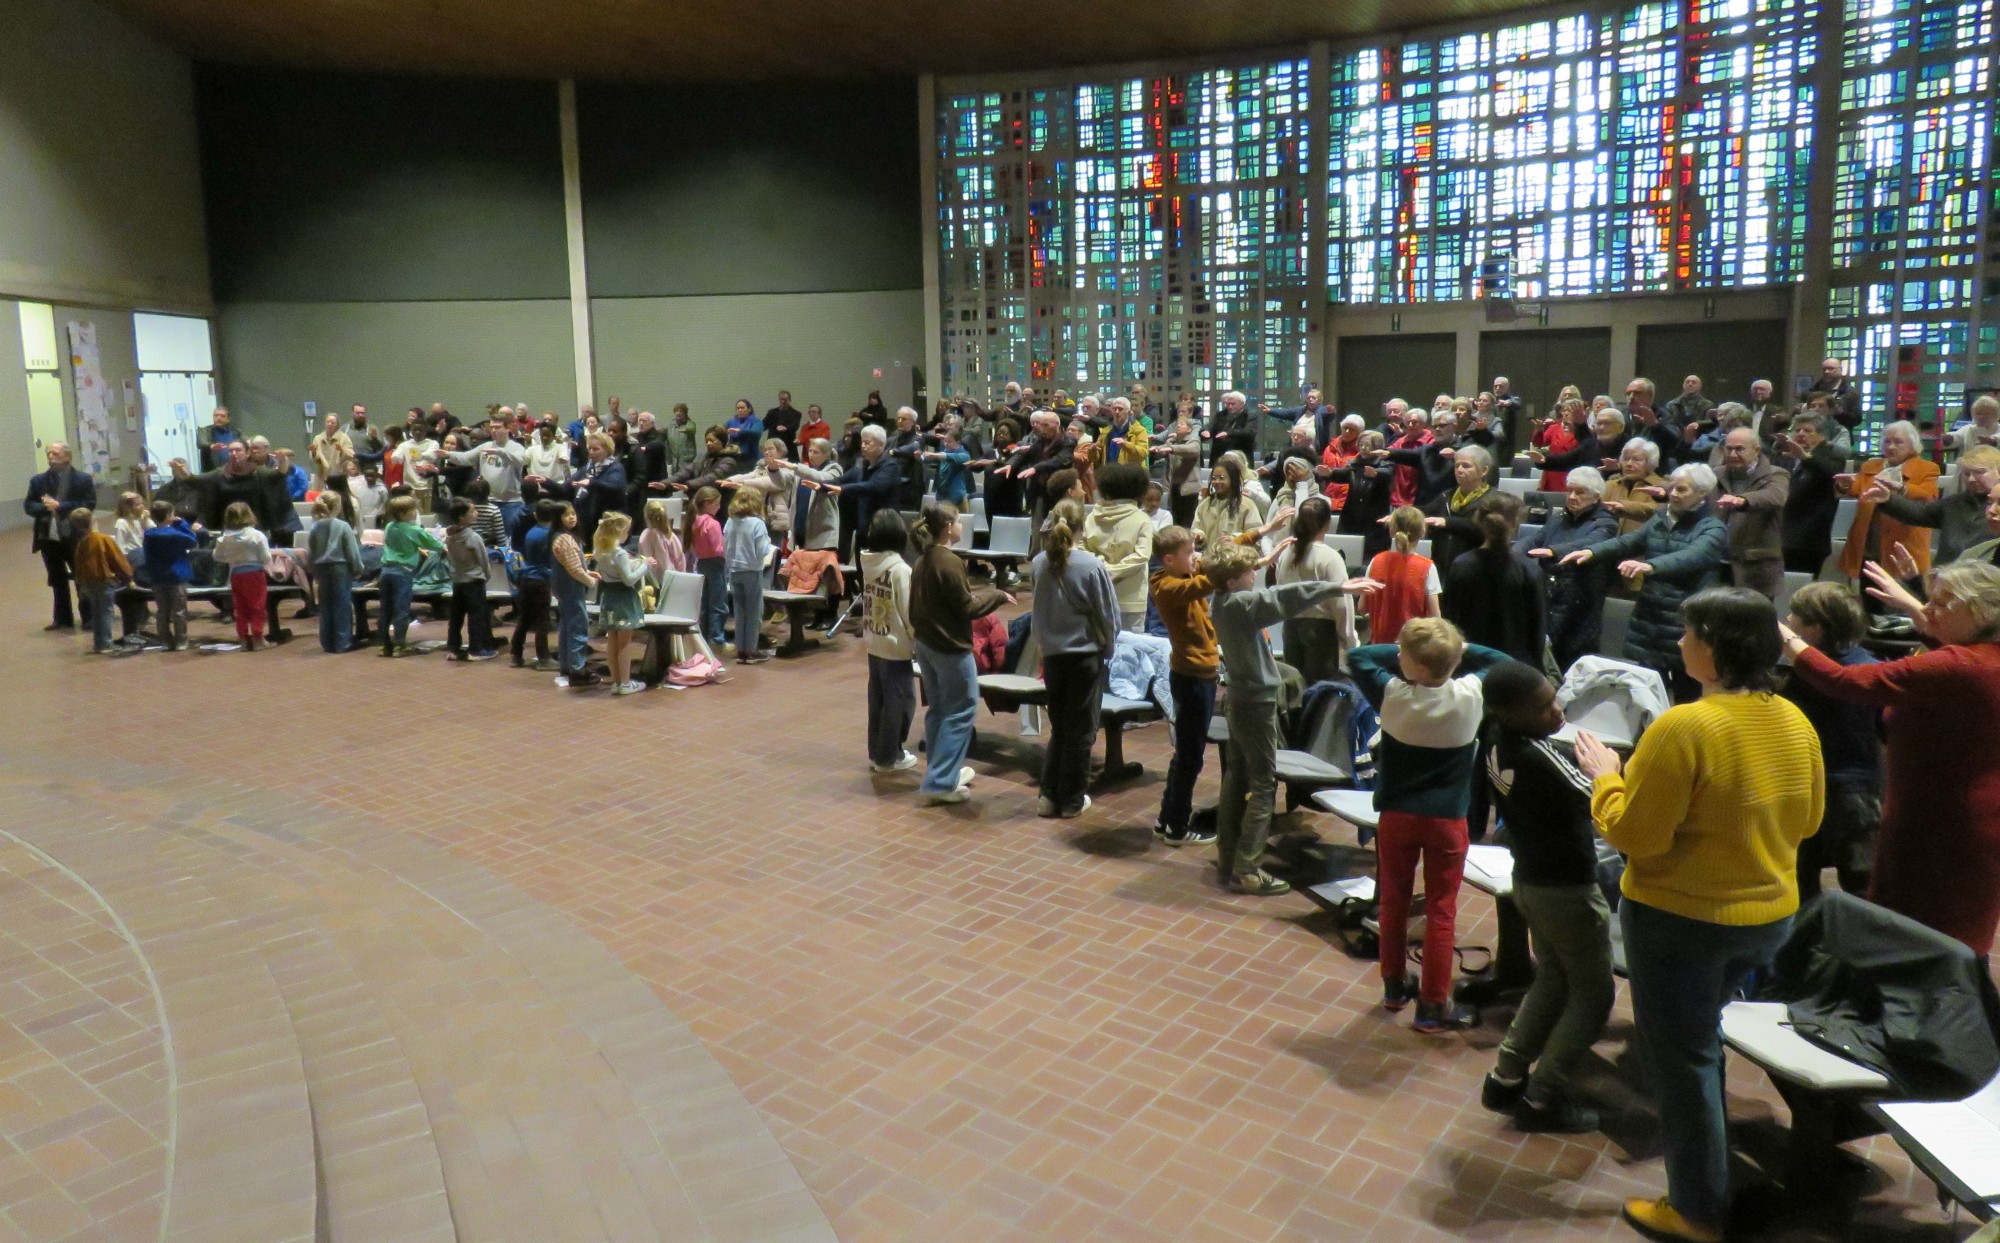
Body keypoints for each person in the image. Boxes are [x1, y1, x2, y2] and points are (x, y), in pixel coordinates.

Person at [1575, 588, 1824, 1243]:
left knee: (1681, 1061)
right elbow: (1810, 819)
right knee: (1700, 1044)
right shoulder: (1794, 719)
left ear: (1711, 646)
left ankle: (1696, 1209)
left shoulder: (1685, 726)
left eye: (1688, 632)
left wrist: (1606, 776)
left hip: (1685, 921)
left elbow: (1635, 835)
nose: (1679, 642)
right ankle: (1709, 1177)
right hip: (1768, 913)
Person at [1781, 560, 2000, 956]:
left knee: (1929, 939)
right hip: (1942, 809)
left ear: (1980, 612)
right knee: (1925, 934)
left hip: (1947, 820)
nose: (1928, 611)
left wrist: (1785, 638)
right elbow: (1949, 649)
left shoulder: (1960, 667)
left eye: (1941, 604)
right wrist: (1913, 603)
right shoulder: (1980, 656)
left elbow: (1844, 682)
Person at [1347, 621, 1509, 1031]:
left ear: (1413, 664)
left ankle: (1395, 985)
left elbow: (1359, 656)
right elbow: (1502, 662)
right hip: (1447, 820)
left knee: (1394, 902)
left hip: (1397, 817)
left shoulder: (1393, 692)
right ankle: (1434, 1004)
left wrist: (1407, 651)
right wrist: (1458, 648)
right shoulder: (1471, 693)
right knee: (1441, 910)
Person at [1478, 662, 1615, 1133]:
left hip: (1531, 882)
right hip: (1567, 890)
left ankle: (1506, 1075)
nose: (1557, 711)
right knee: (1595, 994)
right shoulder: (1539, 757)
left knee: (1554, 976)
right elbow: (1598, 798)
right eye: (1542, 708)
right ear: (1512, 714)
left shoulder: (1494, 740)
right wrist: (1611, 769)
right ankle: (1542, 1097)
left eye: (1554, 698)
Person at [1208, 542, 1363, 895]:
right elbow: (1283, 598)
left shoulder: (1220, 599)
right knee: (1264, 785)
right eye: (1251, 572)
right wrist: (1337, 587)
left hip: (1238, 698)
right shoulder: (1242, 604)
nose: (1256, 576)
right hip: (1256, 704)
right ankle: (1248, 868)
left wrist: (1259, 560)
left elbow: (1259, 588)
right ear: (1233, 580)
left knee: (1236, 777)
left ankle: (1228, 854)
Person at [1562, 464, 1728, 701]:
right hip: (1651, 615)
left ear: (1702, 493)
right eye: (1672, 488)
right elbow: (1629, 541)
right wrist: (1591, 551)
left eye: (1682, 490)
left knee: (1688, 691)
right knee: (1646, 691)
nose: (1673, 494)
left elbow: (1694, 556)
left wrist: (1651, 566)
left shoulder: (1713, 527)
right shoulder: (1662, 517)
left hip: (1686, 618)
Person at [1777, 584, 1882, 901]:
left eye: (1795, 615)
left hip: (1850, 789)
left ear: (1815, 627)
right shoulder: (1864, 663)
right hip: (1811, 783)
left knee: (1861, 882)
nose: (1789, 619)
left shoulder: (1857, 669)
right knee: (1798, 876)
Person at [907, 503, 1011, 806]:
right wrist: (997, 595)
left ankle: (942, 772)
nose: (962, 526)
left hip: (926, 645)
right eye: (958, 521)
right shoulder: (949, 561)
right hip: (949, 648)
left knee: (940, 709)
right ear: (949, 527)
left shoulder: (924, 559)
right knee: (962, 709)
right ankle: (941, 781)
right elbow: (967, 607)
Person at [1031, 501, 1121, 819]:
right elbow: (1109, 615)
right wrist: (1109, 648)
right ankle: (1071, 800)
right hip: (1084, 656)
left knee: (1059, 728)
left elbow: (1037, 613)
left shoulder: (1039, 563)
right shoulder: (1091, 566)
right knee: (1081, 731)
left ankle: (1047, 796)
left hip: (1052, 656)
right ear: (1083, 527)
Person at [1149, 526, 1222, 847]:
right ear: (1169, 559)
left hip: (1195, 675)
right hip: (1193, 677)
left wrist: (1262, 532)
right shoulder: (1167, 586)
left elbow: (1209, 567)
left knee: (1185, 755)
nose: (1196, 557)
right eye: (1189, 553)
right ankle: (1178, 829)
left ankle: (1166, 820)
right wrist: (1245, 564)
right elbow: (1211, 580)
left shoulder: (1178, 576)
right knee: (1191, 757)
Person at [1519, 468, 1618, 672]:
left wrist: (1552, 551)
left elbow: (1590, 543)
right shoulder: (1559, 518)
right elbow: (1534, 539)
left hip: (1580, 604)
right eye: (1570, 491)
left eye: (1580, 492)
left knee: (1569, 664)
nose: (1572, 497)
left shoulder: (1606, 522)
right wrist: (1513, 551)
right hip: (1551, 596)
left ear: (1596, 497)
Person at [1444, 491, 1545, 666]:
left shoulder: (1460, 564)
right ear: (1514, 523)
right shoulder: (1529, 569)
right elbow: (1537, 629)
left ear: (1480, 521)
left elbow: (1449, 619)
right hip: (1513, 666)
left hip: (1469, 663)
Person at [1865, 443, 1999, 567]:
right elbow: (1919, 512)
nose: (1971, 479)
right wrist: (1888, 499)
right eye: (1967, 474)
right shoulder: (1955, 503)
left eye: (1980, 472)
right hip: (1947, 577)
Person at [1273, 497, 1356, 687]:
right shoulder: (1330, 557)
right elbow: (1341, 604)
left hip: (1291, 629)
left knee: (1296, 693)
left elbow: (1280, 595)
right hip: (1321, 635)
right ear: (1327, 524)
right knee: (1319, 697)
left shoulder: (1286, 553)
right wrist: (1349, 639)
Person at [862, 511, 919, 774]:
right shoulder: (900, 570)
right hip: (896, 646)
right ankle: (889, 756)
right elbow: (908, 611)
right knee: (902, 702)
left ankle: (876, 753)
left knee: (878, 700)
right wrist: (916, 638)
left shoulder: (868, 564)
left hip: (875, 640)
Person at [23, 442, 97, 631]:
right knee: (57, 579)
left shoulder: (82, 479)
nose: (51, 457)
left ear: (67, 456)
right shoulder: (38, 481)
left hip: (75, 537)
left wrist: (61, 506)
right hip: (49, 537)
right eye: (48, 453)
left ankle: (89, 617)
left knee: (82, 577)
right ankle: (63, 618)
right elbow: (29, 506)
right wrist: (45, 507)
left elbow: (88, 504)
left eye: (55, 453)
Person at [1712, 427, 1789, 600]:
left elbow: (1775, 496)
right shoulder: (1717, 473)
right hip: (1719, 565)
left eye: (1739, 449)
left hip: (1756, 569)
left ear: (1756, 450)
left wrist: (1743, 500)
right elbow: (1691, 482)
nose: (1732, 454)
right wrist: (1664, 491)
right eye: (1728, 448)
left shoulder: (1776, 474)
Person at [1080, 463, 1155, 632]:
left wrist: (1101, 567)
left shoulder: (1092, 516)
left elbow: (1082, 548)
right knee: (1131, 650)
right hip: (1131, 597)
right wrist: (1112, 570)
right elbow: (1142, 555)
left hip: (1096, 593)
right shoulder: (1141, 518)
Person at [1773, 412, 1846, 574]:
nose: (1801, 434)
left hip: (1810, 538)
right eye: (1797, 430)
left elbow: (1832, 474)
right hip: (1784, 533)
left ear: (1821, 436)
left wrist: (1806, 457)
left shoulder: (1831, 454)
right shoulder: (1788, 455)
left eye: (1807, 431)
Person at [589, 511, 650, 693]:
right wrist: (645, 566)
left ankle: (616, 681)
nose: (628, 535)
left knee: (612, 641)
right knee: (625, 642)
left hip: (609, 595)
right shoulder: (619, 553)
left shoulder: (600, 550)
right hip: (623, 596)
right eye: (626, 531)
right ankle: (625, 682)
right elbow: (629, 580)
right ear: (619, 531)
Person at [378, 494, 443, 657]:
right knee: (401, 609)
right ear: (403, 513)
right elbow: (433, 543)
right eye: (412, 509)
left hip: (386, 571)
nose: (415, 512)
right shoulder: (414, 529)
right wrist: (444, 548)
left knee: (385, 609)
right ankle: (400, 645)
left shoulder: (389, 527)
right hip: (403, 572)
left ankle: (385, 645)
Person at [1364, 506, 1440, 645]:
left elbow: (1362, 607)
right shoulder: (1428, 567)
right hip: (1412, 648)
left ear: (1392, 531)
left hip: (1378, 645)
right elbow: (1435, 617)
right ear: (1423, 532)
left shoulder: (1376, 560)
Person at [442, 499, 500, 663]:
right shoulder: (473, 537)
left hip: (458, 580)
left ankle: (453, 647)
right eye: (472, 511)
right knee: (477, 615)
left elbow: (450, 559)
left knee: (456, 616)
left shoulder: (450, 536)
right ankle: (476, 649)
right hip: (474, 581)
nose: (477, 513)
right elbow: (483, 560)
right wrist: (486, 576)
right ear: (461, 516)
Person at [67, 510, 132, 654]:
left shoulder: (81, 543)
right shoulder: (103, 539)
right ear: (92, 521)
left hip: (89, 582)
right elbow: (117, 559)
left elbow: (78, 565)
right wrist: (128, 576)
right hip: (104, 580)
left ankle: (99, 642)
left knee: (96, 612)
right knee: (105, 612)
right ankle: (105, 643)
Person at [306, 492, 362, 654]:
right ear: (337, 506)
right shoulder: (342, 526)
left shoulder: (315, 526)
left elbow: (312, 552)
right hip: (340, 568)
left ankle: (327, 642)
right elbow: (352, 551)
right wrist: (357, 569)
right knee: (342, 605)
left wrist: (313, 571)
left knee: (325, 605)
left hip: (322, 569)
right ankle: (342, 642)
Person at [550, 502, 598, 687]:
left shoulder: (561, 537)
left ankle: (567, 666)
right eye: (566, 515)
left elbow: (575, 566)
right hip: (571, 588)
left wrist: (588, 573)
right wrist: (590, 581)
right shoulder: (565, 539)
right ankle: (578, 669)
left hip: (563, 587)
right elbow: (574, 569)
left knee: (567, 625)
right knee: (578, 625)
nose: (571, 517)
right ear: (558, 518)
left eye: (573, 514)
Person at [214, 502, 273, 652]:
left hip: (235, 574)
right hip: (254, 574)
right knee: (257, 606)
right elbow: (266, 557)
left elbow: (217, 556)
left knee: (240, 608)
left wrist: (232, 559)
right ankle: (258, 639)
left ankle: (243, 641)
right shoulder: (256, 535)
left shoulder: (224, 537)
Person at [723, 488, 773, 664]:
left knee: (739, 612)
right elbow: (762, 550)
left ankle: (741, 649)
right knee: (753, 612)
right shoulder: (757, 523)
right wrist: (768, 543)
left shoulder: (730, 521)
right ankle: (751, 650)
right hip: (751, 571)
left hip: (734, 570)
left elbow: (725, 545)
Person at [142, 500, 199, 650]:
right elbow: (192, 541)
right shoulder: (175, 534)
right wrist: (182, 524)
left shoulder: (149, 534)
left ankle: (165, 641)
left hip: (157, 577)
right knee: (179, 610)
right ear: (169, 516)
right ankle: (181, 640)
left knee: (162, 610)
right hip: (176, 576)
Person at [511, 500, 558, 671]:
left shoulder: (531, 532)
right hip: (541, 581)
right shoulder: (551, 535)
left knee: (524, 619)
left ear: (536, 515)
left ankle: (516, 654)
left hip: (526, 579)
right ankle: (543, 657)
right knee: (542, 621)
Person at [683, 486, 728, 648]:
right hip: (715, 563)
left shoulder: (694, 522)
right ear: (708, 503)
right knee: (718, 603)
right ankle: (717, 638)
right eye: (717, 503)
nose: (719, 507)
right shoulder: (712, 523)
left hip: (702, 563)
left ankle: (704, 635)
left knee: (705, 602)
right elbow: (718, 549)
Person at [1192, 453, 1265, 552]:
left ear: (1233, 479)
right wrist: (1199, 536)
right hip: (1210, 560)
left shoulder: (1246, 505)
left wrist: (1235, 539)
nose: (1216, 482)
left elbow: (1256, 533)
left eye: (1221, 478)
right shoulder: (1204, 505)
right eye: (1213, 478)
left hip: (1236, 562)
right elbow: (1197, 526)